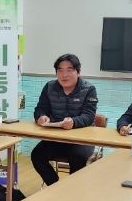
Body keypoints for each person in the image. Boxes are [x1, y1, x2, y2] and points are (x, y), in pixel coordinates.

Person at [31, 53, 98, 186]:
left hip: (82, 139)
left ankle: (72, 190)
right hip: (57, 137)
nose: (64, 75)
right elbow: (40, 109)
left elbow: (89, 116)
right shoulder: (49, 87)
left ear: (78, 72)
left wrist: (74, 122)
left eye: (69, 70)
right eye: (60, 70)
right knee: (37, 155)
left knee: (78, 157)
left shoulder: (89, 89)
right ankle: (55, 186)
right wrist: (41, 117)